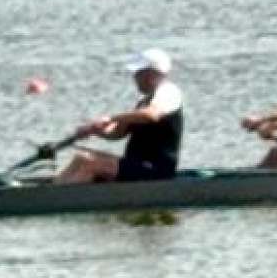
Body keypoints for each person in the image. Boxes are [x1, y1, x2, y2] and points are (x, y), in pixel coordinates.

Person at [56, 49, 186, 184]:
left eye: (138, 74)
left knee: (90, 164)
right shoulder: (144, 101)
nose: (135, 78)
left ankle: (57, 200)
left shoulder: (169, 92)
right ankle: (52, 192)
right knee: (81, 158)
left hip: (157, 170)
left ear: (151, 74)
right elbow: (117, 133)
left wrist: (111, 118)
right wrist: (94, 130)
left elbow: (150, 115)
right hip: (136, 165)